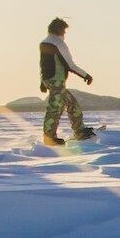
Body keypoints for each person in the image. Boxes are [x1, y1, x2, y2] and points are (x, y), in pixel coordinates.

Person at [39, 18, 97, 146]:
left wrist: (42, 82)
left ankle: (79, 131)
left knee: (72, 105)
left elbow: (43, 65)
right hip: (57, 81)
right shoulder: (57, 43)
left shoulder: (44, 42)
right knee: (55, 109)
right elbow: (70, 65)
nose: (64, 34)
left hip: (51, 80)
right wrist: (86, 75)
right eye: (64, 31)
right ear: (59, 30)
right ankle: (50, 138)